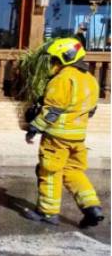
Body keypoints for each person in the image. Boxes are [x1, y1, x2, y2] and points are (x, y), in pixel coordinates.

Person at [24, 38, 103, 228]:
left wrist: (35, 127)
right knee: (73, 171)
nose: (53, 64)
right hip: (78, 137)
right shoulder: (91, 80)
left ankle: (47, 213)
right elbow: (91, 110)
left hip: (57, 137)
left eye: (55, 60)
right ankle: (92, 207)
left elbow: (52, 110)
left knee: (50, 172)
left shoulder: (63, 79)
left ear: (65, 58)